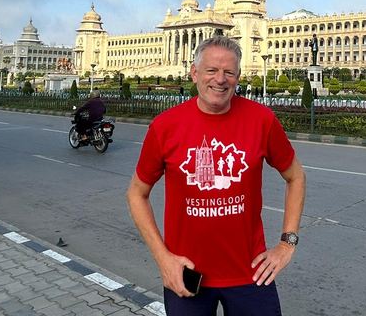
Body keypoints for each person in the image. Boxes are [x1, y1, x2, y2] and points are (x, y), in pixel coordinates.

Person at [127, 36, 306, 316]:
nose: (220, 80)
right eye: (211, 70)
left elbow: (295, 177)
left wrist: (287, 244)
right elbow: (136, 194)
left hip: (251, 274)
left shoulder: (261, 120)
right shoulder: (165, 127)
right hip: (187, 273)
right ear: (194, 73)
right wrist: (163, 258)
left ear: (238, 76)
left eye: (228, 72)